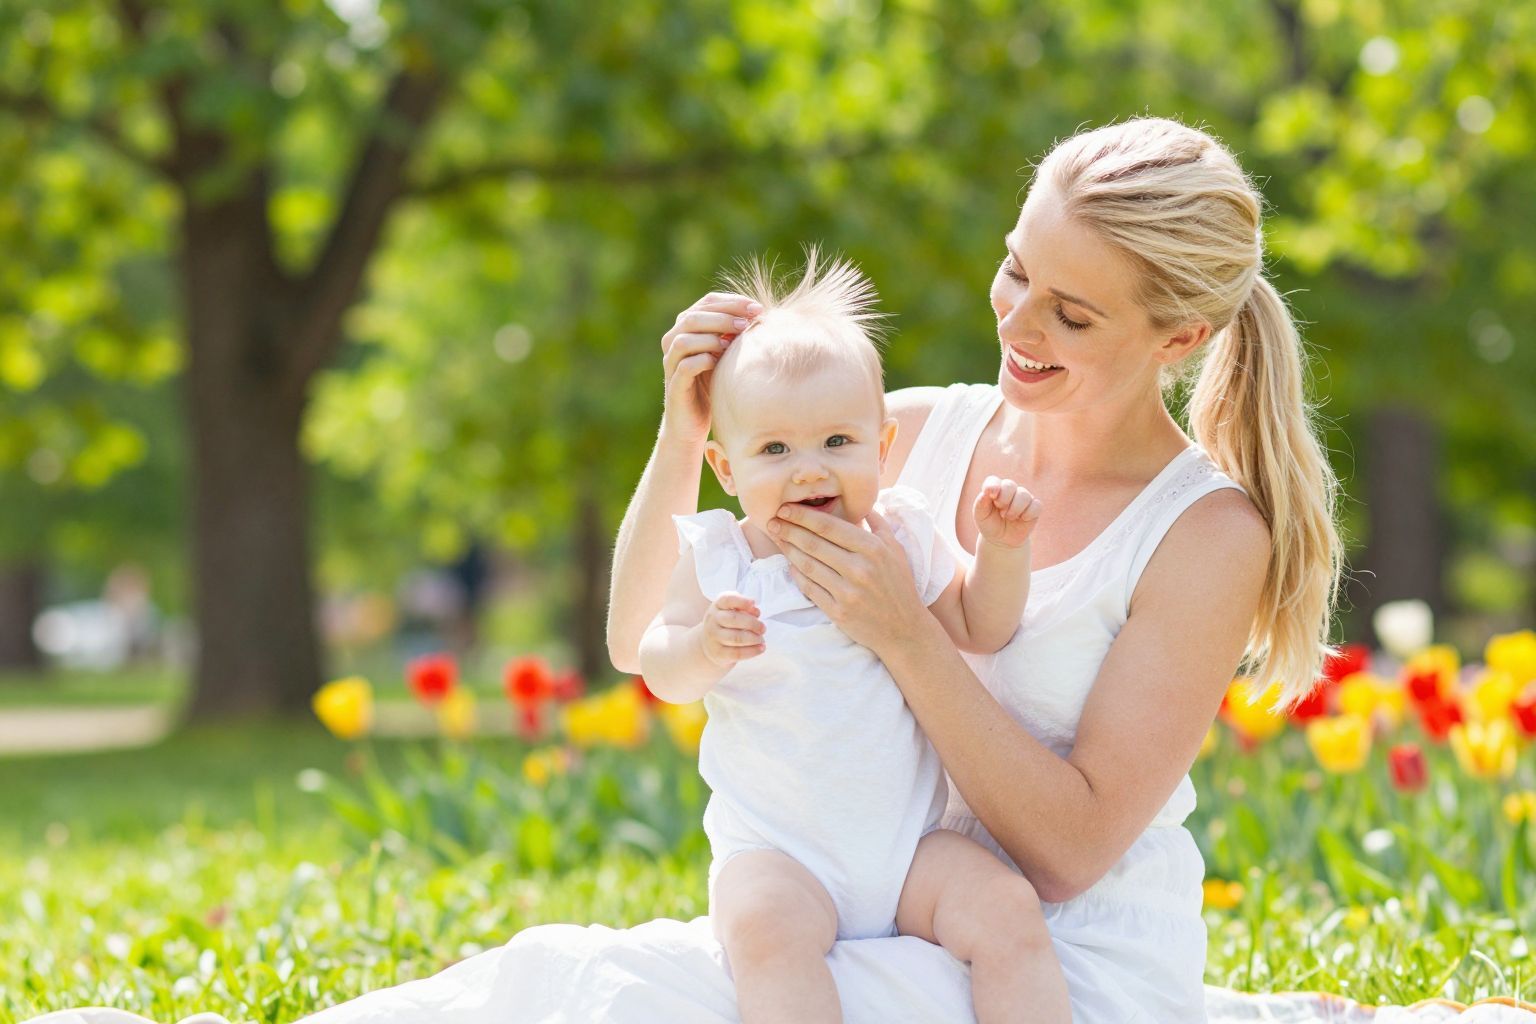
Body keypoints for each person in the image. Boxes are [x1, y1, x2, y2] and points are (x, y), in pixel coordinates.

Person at [42, 116, 1340, 1024]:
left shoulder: (1205, 533)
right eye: (1015, 268)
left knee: (626, 1002)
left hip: (1059, 957)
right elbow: (678, 589)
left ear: (1181, 334)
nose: (1016, 320)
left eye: (1073, 312)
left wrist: (908, 637)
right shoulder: (911, 431)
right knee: (580, 972)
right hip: (881, 907)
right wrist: (682, 434)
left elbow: (1063, 856)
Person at [641, 249, 1064, 1022]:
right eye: (774, 450)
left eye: (837, 442)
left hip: (907, 851)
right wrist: (702, 645)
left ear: (883, 446)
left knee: (1007, 909)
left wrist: (1003, 552)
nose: (808, 470)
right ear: (725, 469)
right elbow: (656, 663)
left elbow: (982, 625)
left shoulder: (900, 537)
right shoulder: (722, 560)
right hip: (780, 854)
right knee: (767, 938)